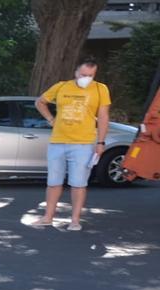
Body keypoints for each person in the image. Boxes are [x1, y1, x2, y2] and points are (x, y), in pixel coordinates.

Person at [33, 57, 111, 231]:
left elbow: (104, 116)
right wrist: (50, 119)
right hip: (58, 141)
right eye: (83, 74)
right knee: (53, 182)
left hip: (83, 143)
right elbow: (40, 102)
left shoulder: (100, 89)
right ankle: (47, 217)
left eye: (91, 75)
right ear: (76, 72)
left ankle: (75, 220)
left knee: (78, 184)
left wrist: (101, 141)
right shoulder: (61, 86)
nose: (87, 78)